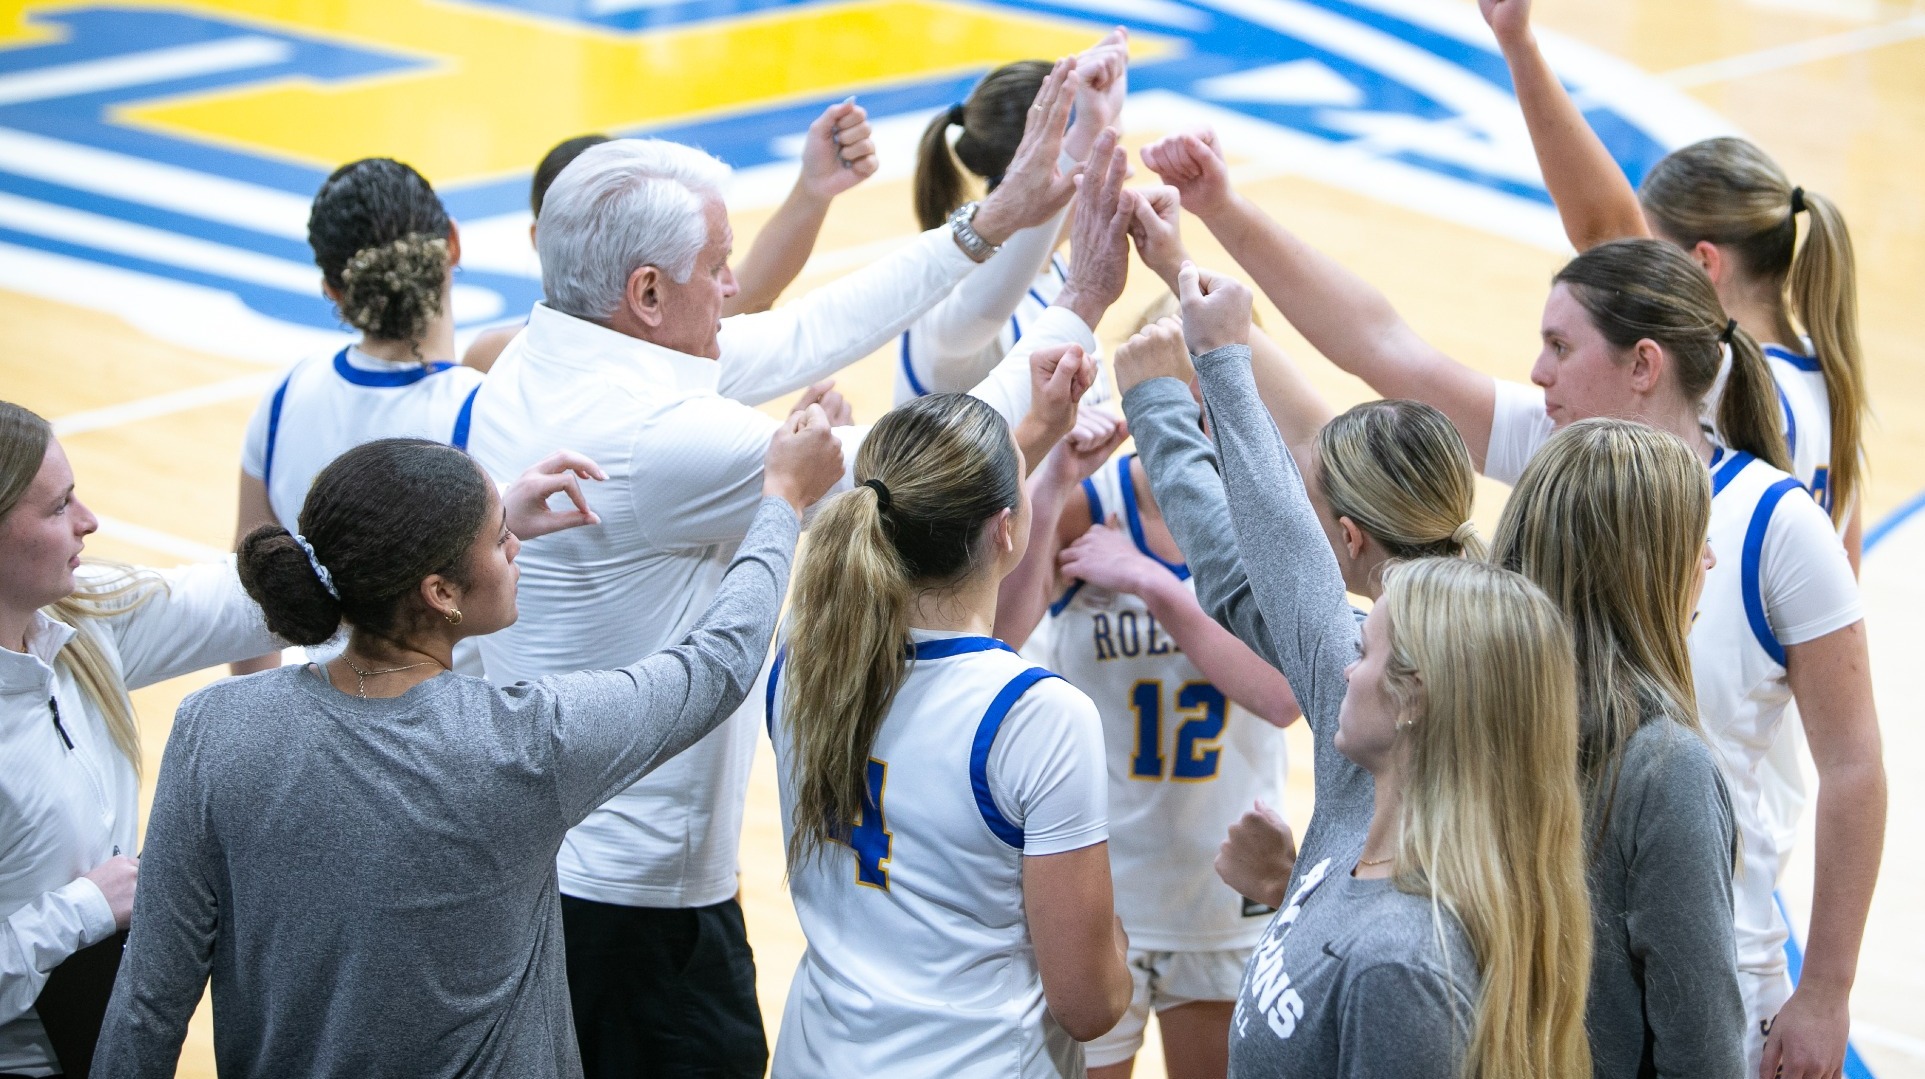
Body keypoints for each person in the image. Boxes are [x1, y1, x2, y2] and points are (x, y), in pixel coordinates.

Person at [1147, 126, 1882, 1079]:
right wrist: (1201, 254)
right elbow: (1371, 382)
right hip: (1513, 964)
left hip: (1697, 971)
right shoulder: (1557, 461)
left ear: (1644, 365)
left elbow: (1855, 763)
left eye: (1556, 345)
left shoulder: (1770, 537)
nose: (1535, 370)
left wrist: (1824, 986)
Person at [466, 57, 1138, 1078]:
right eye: (717, 268)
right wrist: (1076, 304)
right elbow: (923, 471)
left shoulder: (553, 347)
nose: (735, 286)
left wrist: (989, 221)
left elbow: (808, 329)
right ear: (645, 292)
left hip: (546, 862)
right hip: (628, 901)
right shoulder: (652, 439)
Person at [90, 413, 844, 1079]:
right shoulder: (523, 745)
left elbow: (149, 1005)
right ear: (439, 592)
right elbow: (715, 665)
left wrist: (479, 516)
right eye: (499, 536)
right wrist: (781, 500)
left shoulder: (213, 729)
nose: (515, 544)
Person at [1115, 274, 1592, 1077]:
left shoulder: (1407, 966)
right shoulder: (1459, 682)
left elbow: (1262, 559)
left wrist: (1198, 379)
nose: (1343, 669)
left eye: (1361, 654)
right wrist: (1301, 881)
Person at [767, 392, 1131, 1078]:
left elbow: (961, 658)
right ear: (1005, 530)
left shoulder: (801, 661)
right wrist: (1117, 946)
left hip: (815, 1056)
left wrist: (1048, 485)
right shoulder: (1041, 716)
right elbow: (1088, 1005)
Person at [1478, 0, 1866, 563]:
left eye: (1653, 251)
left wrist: (1519, 45)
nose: (1636, 275)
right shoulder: (1830, 379)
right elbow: (1845, 580)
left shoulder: (1728, 376)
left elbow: (1605, 230)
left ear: (1704, 265)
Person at [0, 400, 283, 1078]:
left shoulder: (78, 619)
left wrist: (477, 523)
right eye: (59, 505)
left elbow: (240, 599)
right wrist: (83, 910)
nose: (88, 520)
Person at [1494, 419, 1747, 1077]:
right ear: (1641, 570)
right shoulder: (1666, 771)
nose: (1708, 560)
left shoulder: (1470, 718)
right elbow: (1703, 1053)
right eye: (1695, 539)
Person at [230, 157, 485, 676]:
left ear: (333, 288)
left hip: (323, 722)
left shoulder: (284, 395)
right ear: (452, 244)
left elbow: (250, 598)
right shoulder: (484, 408)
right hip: (449, 733)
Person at [463, 97, 881, 372]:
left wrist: (813, 188)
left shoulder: (672, 325)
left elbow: (752, 291)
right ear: (539, 238)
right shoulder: (496, 355)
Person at [897, 31, 1127, 403]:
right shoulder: (945, 296)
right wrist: (1086, 131)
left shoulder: (1051, 267)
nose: (1119, 167)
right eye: (1104, 149)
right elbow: (983, 307)